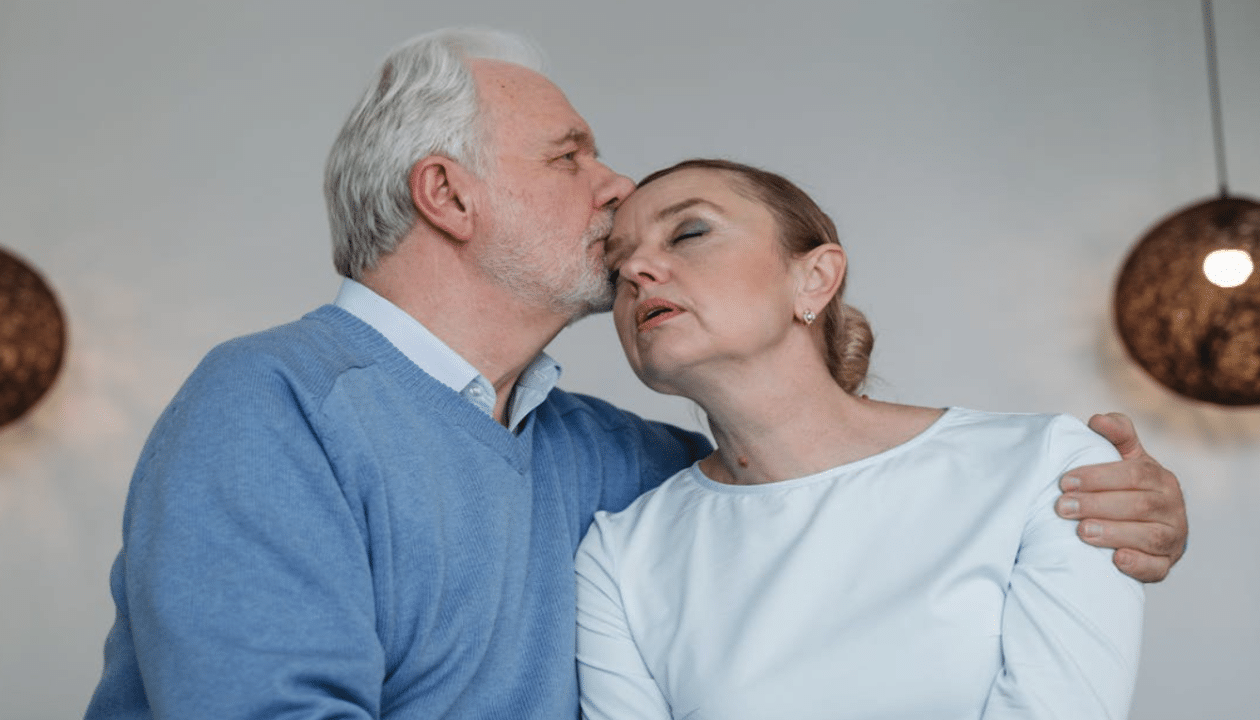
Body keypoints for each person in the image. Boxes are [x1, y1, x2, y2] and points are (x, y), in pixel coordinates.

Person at [85, 28, 1185, 720]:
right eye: (570, 156)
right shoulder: (271, 402)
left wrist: (1111, 505)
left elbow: (807, 489)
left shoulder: (610, 458)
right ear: (448, 197)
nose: (614, 192)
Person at [575, 158, 1148, 719]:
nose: (635, 270)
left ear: (815, 278)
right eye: (616, 265)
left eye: (689, 232)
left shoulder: (1046, 467)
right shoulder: (620, 557)